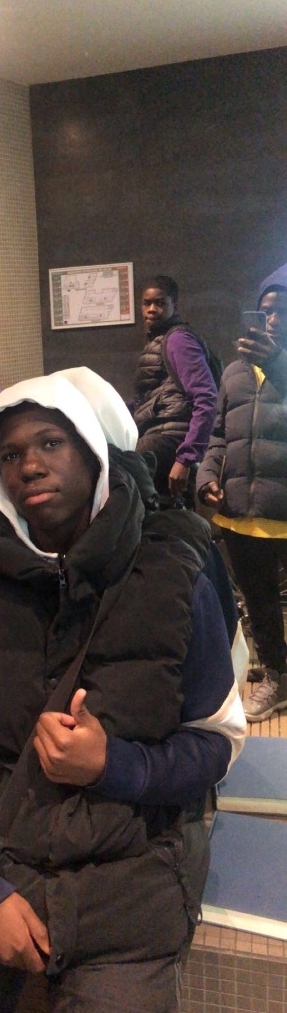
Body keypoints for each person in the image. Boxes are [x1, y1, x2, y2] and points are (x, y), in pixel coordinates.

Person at [0, 368, 246, 1013]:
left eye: (50, 443)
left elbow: (217, 739)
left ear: (93, 452)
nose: (29, 465)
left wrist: (114, 765)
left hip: (129, 883)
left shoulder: (176, 571)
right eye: (10, 453)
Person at [197, 284, 287, 721]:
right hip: (241, 514)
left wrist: (278, 364)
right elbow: (218, 435)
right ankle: (278, 675)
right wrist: (206, 476)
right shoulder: (233, 372)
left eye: (283, 312)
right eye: (266, 312)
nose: (273, 320)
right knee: (260, 601)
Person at [132, 275, 218, 506]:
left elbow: (206, 397)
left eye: (160, 303)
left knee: (123, 474)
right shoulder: (159, 340)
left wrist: (186, 458)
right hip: (159, 434)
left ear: (174, 306)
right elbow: (152, 396)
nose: (152, 309)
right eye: (146, 303)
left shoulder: (179, 340)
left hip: (171, 438)